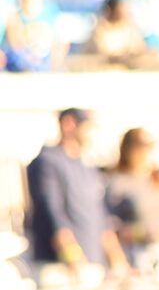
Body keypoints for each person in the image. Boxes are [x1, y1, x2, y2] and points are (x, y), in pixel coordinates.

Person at [26, 109, 126, 276]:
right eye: (87, 127)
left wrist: (118, 260)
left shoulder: (87, 167)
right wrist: (73, 256)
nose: (91, 134)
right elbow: (53, 213)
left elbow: (101, 218)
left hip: (92, 263)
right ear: (69, 124)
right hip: (61, 266)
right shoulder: (47, 162)